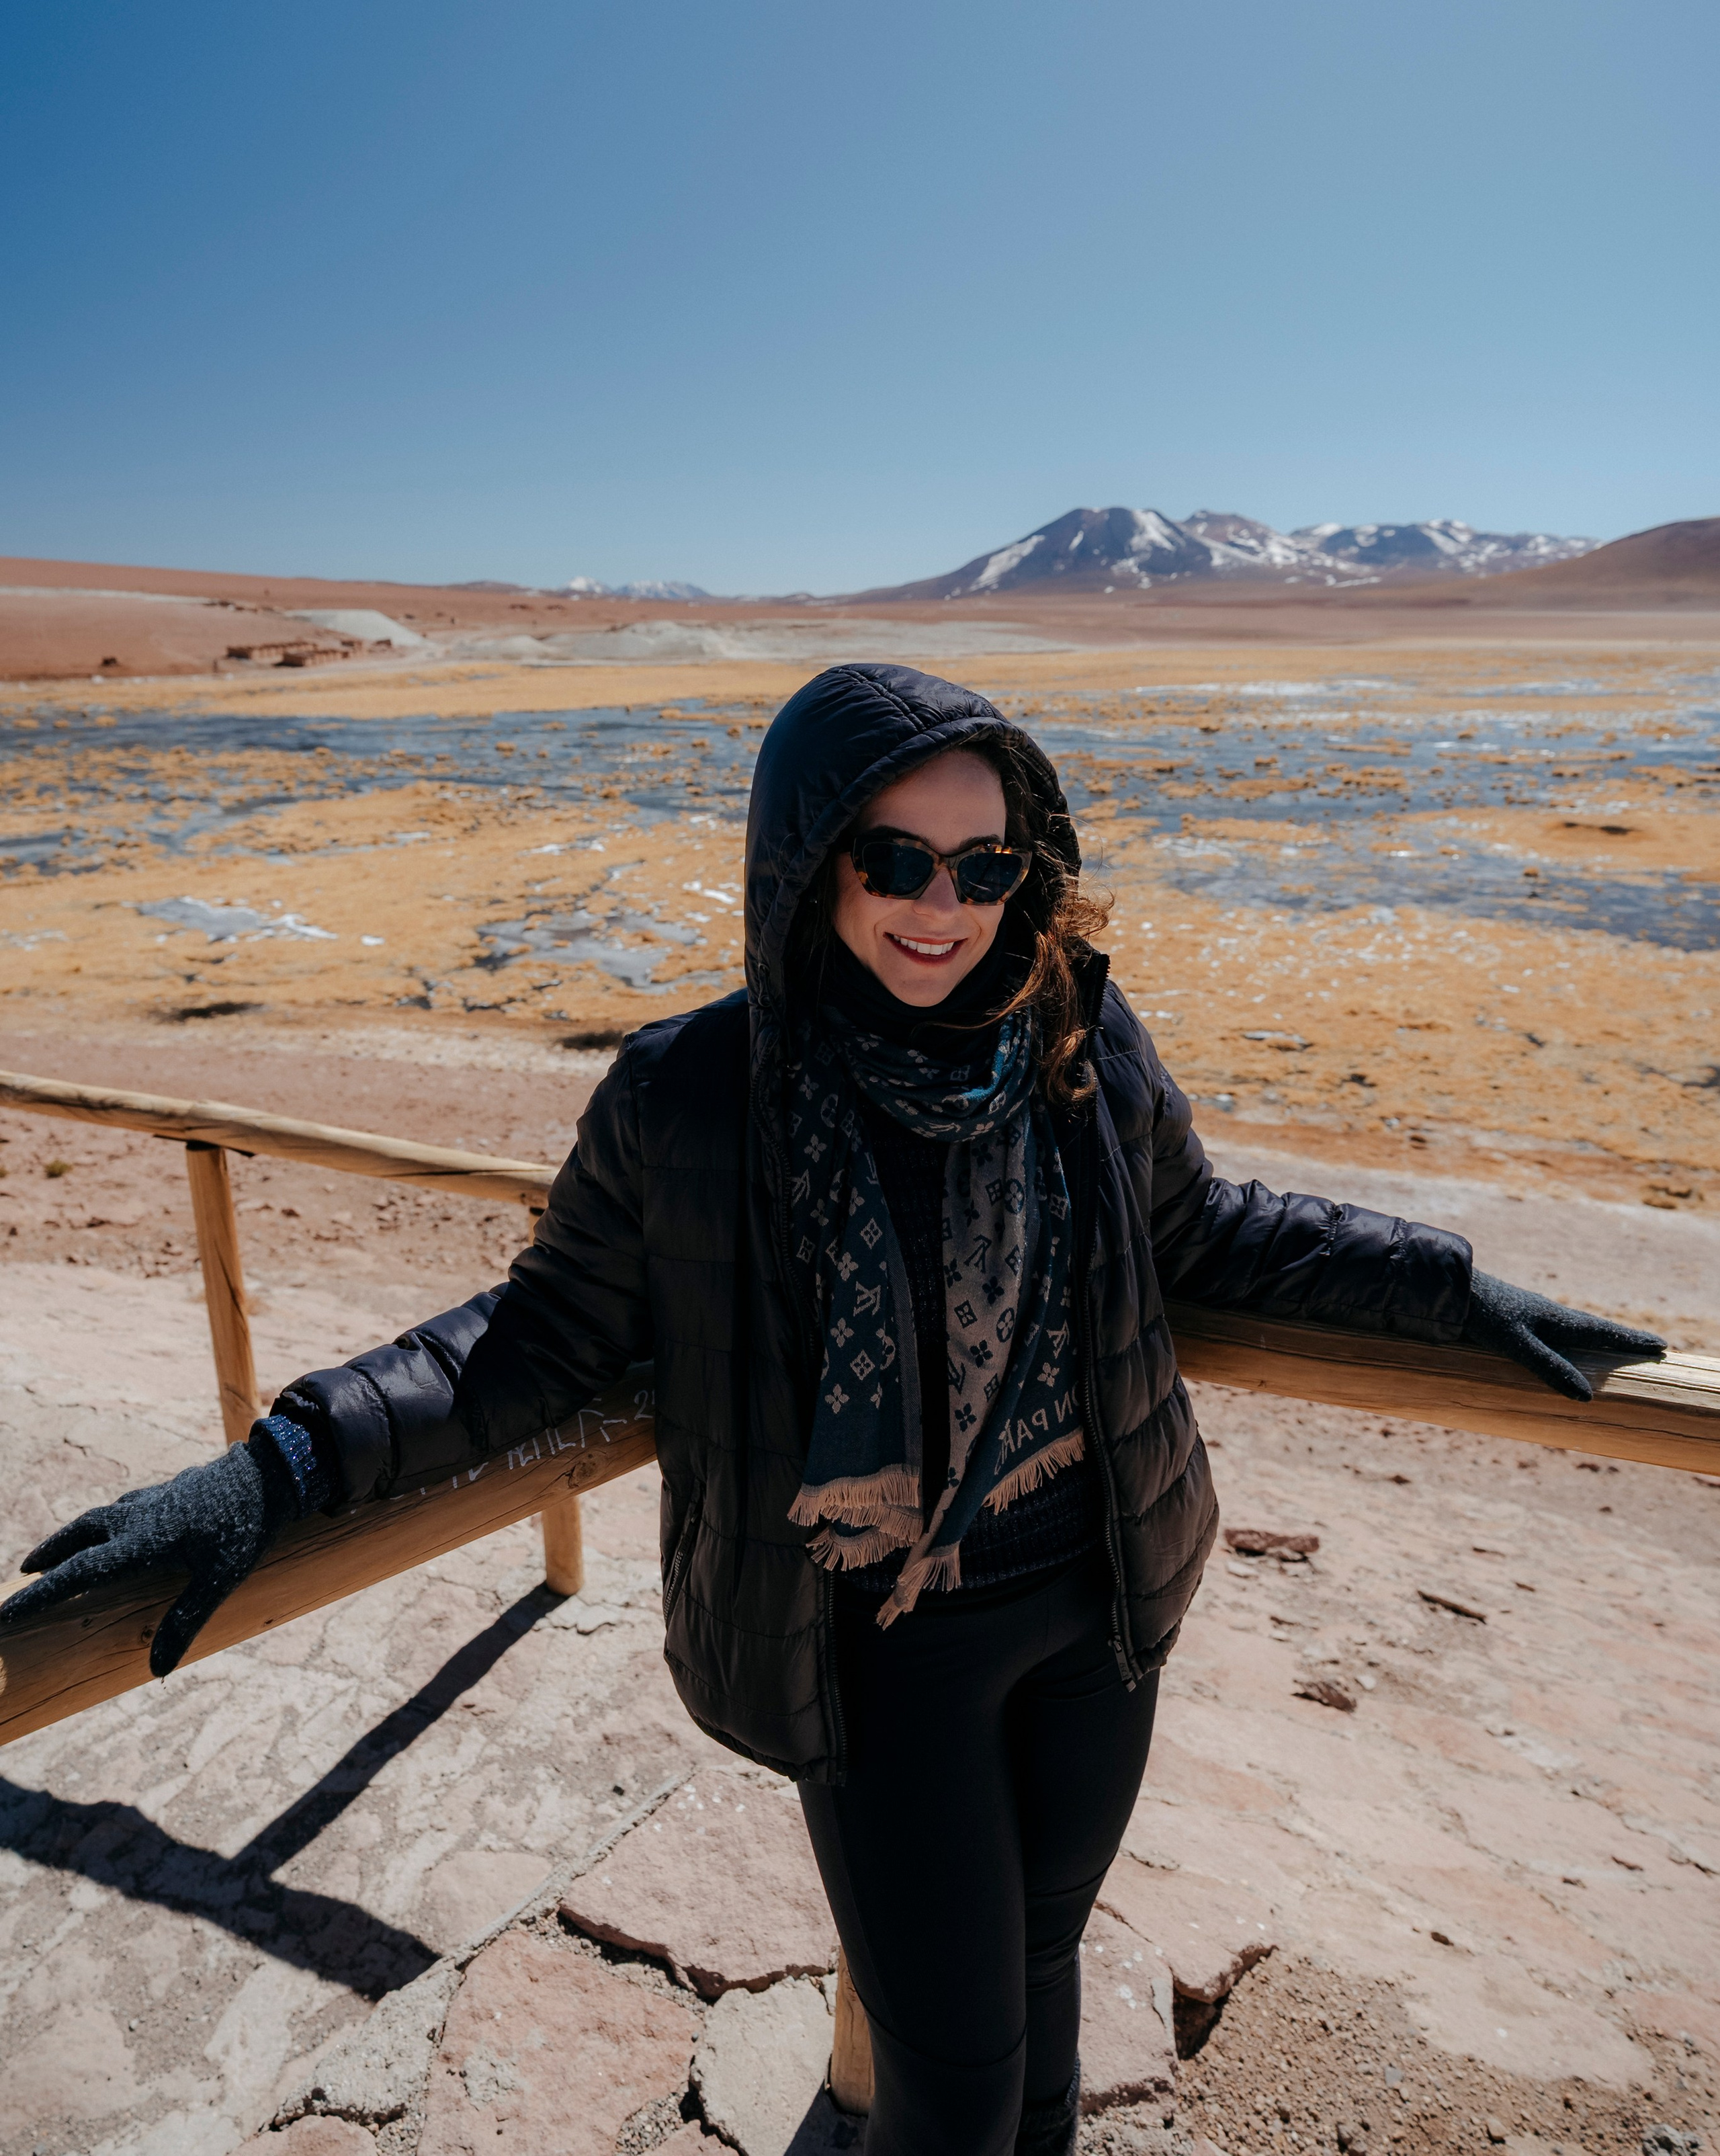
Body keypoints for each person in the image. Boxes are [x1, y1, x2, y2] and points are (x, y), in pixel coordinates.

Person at [2, 664, 1664, 2156]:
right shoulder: (691, 1094)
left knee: (1037, 1994)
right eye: (894, 861)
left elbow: (1203, 1233)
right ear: (808, 860)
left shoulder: (1069, 1031)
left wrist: (1450, 1291)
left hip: (1096, 1611)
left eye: (984, 865)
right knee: (946, 2080)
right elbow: (527, 1347)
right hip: (883, 1659)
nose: (941, 908)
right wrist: (271, 1474)